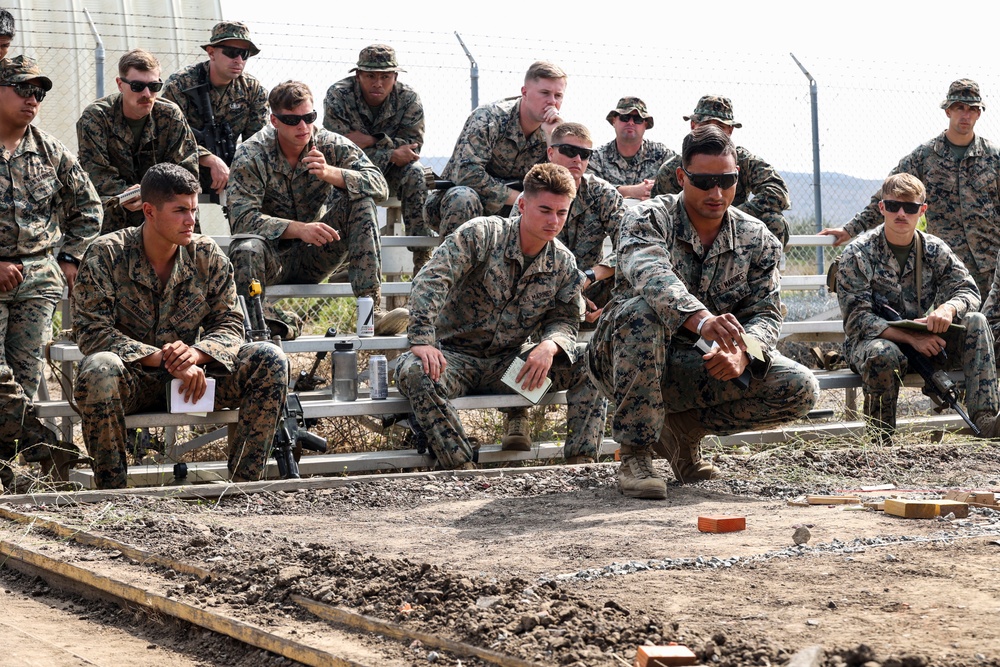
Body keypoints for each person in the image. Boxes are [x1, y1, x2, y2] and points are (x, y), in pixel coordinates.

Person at [587, 125, 818, 499]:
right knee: (643, 311)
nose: (716, 192)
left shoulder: (756, 237)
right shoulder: (648, 218)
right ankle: (636, 453)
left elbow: (767, 312)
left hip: (698, 363)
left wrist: (745, 350)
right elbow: (652, 276)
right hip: (624, 357)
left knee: (799, 387)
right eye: (704, 180)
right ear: (681, 177)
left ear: (737, 178)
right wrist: (703, 321)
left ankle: (683, 430)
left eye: (726, 181)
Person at [73, 164, 288, 490]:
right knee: (99, 368)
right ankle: (112, 495)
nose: (191, 220)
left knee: (269, 358)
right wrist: (167, 360)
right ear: (149, 211)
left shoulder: (206, 255)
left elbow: (230, 324)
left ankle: (244, 491)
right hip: (133, 381)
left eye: (193, 209)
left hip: (194, 383)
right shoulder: (106, 254)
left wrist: (196, 356)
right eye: (179, 211)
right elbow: (92, 331)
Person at [396, 163, 607, 469]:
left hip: (510, 370)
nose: (553, 221)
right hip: (452, 359)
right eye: (545, 210)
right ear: (522, 204)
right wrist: (422, 339)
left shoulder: (562, 262)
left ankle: (581, 462)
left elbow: (565, 317)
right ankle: (461, 465)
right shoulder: (481, 235)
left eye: (561, 213)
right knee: (414, 371)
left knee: (592, 362)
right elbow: (433, 279)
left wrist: (550, 345)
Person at [227, 80, 406, 338]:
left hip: (316, 255)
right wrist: (298, 229)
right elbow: (242, 220)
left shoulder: (329, 144)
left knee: (362, 200)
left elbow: (380, 186)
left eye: (309, 117)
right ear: (274, 121)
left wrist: (332, 173)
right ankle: (260, 329)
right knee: (246, 247)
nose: (303, 127)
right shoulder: (252, 153)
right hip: (270, 259)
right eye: (292, 120)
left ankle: (371, 314)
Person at [0, 56, 102, 491]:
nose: (33, 99)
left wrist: (68, 261)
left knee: (22, 378)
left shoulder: (49, 149)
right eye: (24, 89)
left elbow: (89, 209)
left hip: (37, 282)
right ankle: (52, 450)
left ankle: (9, 472)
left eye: (39, 92)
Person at [836, 173, 999, 443]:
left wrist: (948, 309)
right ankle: (880, 439)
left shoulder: (935, 249)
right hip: (875, 343)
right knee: (882, 353)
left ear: (922, 210)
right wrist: (912, 337)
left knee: (977, 321)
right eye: (893, 206)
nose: (901, 213)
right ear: (881, 208)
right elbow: (857, 320)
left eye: (910, 207)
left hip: (928, 342)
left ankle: (985, 422)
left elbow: (969, 291)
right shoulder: (858, 253)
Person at [501, 122, 624, 455]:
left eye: (585, 154)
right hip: (540, 290)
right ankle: (517, 414)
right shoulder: (534, 193)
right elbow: (518, 251)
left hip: (591, 290)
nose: (577, 160)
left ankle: (585, 453)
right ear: (551, 152)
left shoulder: (602, 194)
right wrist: (568, 288)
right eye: (569, 151)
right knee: (517, 319)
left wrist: (592, 276)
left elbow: (630, 244)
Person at [822, 79, 1000, 297]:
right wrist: (850, 229)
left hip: (992, 264)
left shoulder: (994, 157)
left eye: (972, 109)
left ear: (979, 114)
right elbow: (888, 196)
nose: (966, 115)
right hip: (949, 265)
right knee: (954, 327)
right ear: (947, 111)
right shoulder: (925, 157)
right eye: (959, 108)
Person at [424, 61, 566, 237]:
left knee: (555, 208)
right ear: (525, 93)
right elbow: (467, 174)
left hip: (516, 210)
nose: (552, 102)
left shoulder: (556, 131)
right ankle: (450, 264)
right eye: (545, 93)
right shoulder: (490, 118)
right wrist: (522, 199)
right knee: (463, 197)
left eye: (558, 95)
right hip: (461, 204)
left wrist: (553, 140)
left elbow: (562, 184)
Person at [323, 44, 431, 268]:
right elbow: (335, 148)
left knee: (416, 173)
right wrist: (390, 152)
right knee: (339, 181)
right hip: (352, 173)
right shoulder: (339, 95)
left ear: (395, 76)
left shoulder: (408, 99)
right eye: (370, 76)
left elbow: (411, 149)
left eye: (385, 76)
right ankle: (338, 258)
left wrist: (369, 141)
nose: (377, 83)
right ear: (358, 75)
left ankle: (422, 256)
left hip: (393, 175)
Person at [77, 48, 199, 234]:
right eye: (137, 86)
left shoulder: (170, 116)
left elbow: (186, 170)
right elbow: (97, 174)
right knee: (99, 209)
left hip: (161, 204)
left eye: (154, 86)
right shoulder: (96, 118)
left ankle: (189, 260)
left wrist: (150, 196)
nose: (147, 93)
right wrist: (135, 195)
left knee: (182, 211)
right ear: (120, 84)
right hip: (116, 203)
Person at [654, 95, 792, 245]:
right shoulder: (672, 170)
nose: (712, 131)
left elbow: (777, 192)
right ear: (693, 125)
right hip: (688, 236)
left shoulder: (744, 161)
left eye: (719, 126)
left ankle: (762, 266)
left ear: (730, 130)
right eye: (705, 124)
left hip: (737, 236)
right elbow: (659, 213)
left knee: (774, 221)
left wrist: (731, 217)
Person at [161, 21, 268, 198]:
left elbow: (256, 141)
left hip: (230, 169)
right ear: (211, 53)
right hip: (184, 167)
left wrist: (238, 172)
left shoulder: (252, 89)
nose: (239, 60)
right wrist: (207, 158)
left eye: (244, 54)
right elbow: (167, 136)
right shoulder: (181, 84)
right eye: (232, 52)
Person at [587, 97, 674, 202]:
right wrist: (632, 191)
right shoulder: (597, 157)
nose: (631, 123)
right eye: (625, 117)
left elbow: (681, 182)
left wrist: (654, 191)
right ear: (614, 120)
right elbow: (588, 189)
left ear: (645, 124)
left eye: (638, 119)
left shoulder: (662, 155)